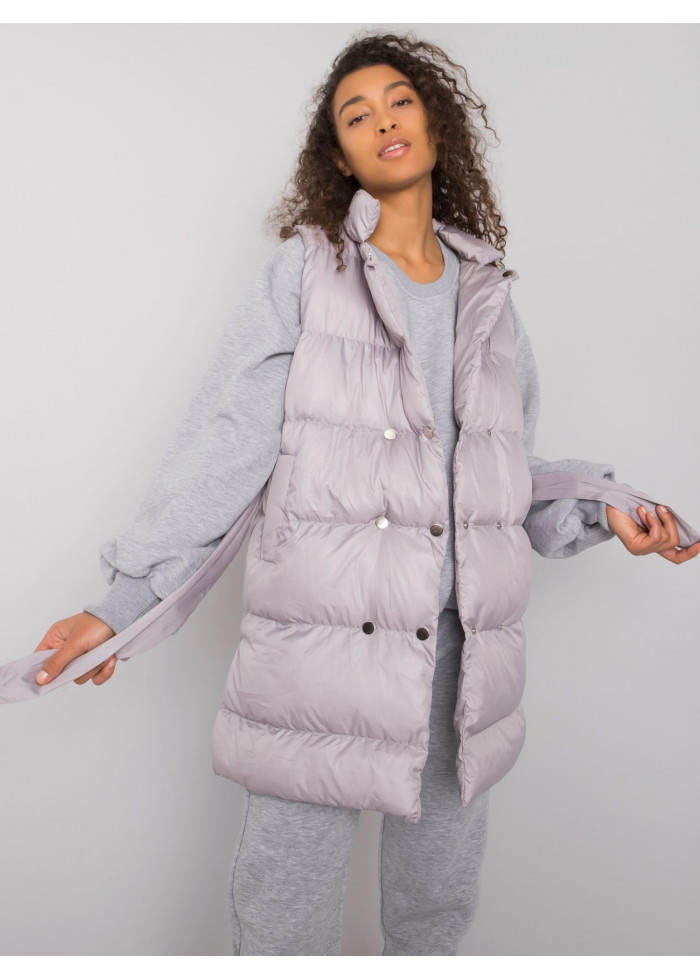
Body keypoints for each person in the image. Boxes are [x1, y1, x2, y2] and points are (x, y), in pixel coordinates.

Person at [27, 32, 699, 956]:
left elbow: (499, 476)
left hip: (463, 668)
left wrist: (600, 510)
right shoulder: (306, 273)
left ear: (435, 124)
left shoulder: (490, 294)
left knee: (434, 920)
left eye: (400, 100)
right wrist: (123, 604)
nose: (383, 119)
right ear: (338, 157)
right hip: (322, 658)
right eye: (356, 114)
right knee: (284, 922)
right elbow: (225, 445)